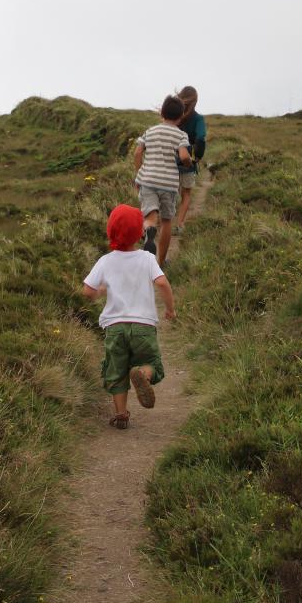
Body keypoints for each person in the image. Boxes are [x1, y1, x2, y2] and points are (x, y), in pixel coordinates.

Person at [82, 204, 176, 429]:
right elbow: (162, 282)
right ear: (139, 234)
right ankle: (143, 373)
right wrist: (170, 309)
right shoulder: (146, 258)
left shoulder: (105, 261)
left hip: (114, 327)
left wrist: (101, 292)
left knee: (116, 371)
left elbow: (87, 291)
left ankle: (121, 414)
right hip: (143, 326)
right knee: (152, 363)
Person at [133, 95, 191, 266]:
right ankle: (161, 261)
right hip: (169, 183)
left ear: (162, 113)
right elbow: (184, 155)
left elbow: (137, 153)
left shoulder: (150, 131)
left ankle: (149, 230)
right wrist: (188, 163)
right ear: (180, 117)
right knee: (166, 221)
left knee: (150, 217)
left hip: (148, 180)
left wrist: (140, 173)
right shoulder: (181, 135)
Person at [175, 85, 207, 233]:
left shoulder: (174, 116)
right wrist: (198, 157)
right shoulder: (198, 119)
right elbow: (201, 138)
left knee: (168, 193)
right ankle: (179, 224)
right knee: (186, 193)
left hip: (170, 161)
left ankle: (162, 221)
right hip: (188, 161)